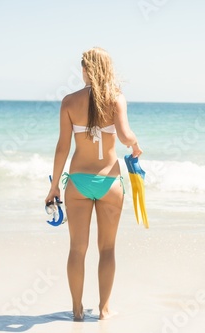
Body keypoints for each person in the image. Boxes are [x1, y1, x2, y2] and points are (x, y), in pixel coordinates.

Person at [45, 47, 142, 321]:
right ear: (108, 69)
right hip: (110, 183)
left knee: (77, 248)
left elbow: (63, 147)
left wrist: (53, 187)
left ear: (86, 70)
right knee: (107, 248)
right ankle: (103, 310)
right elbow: (124, 136)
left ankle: (77, 311)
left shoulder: (69, 102)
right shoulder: (117, 99)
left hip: (77, 183)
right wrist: (135, 144)